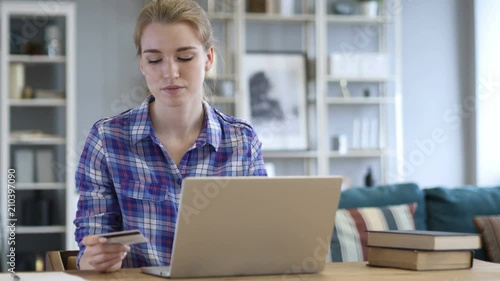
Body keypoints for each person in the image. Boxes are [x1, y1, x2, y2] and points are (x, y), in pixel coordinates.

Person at [74, 0, 267, 273]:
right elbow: (89, 243)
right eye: (154, 59)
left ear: (208, 58)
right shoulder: (107, 140)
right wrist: (93, 259)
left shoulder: (242, 142)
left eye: (185, 57)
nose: (170, 72)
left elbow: (262, 237)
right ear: (142, 63)